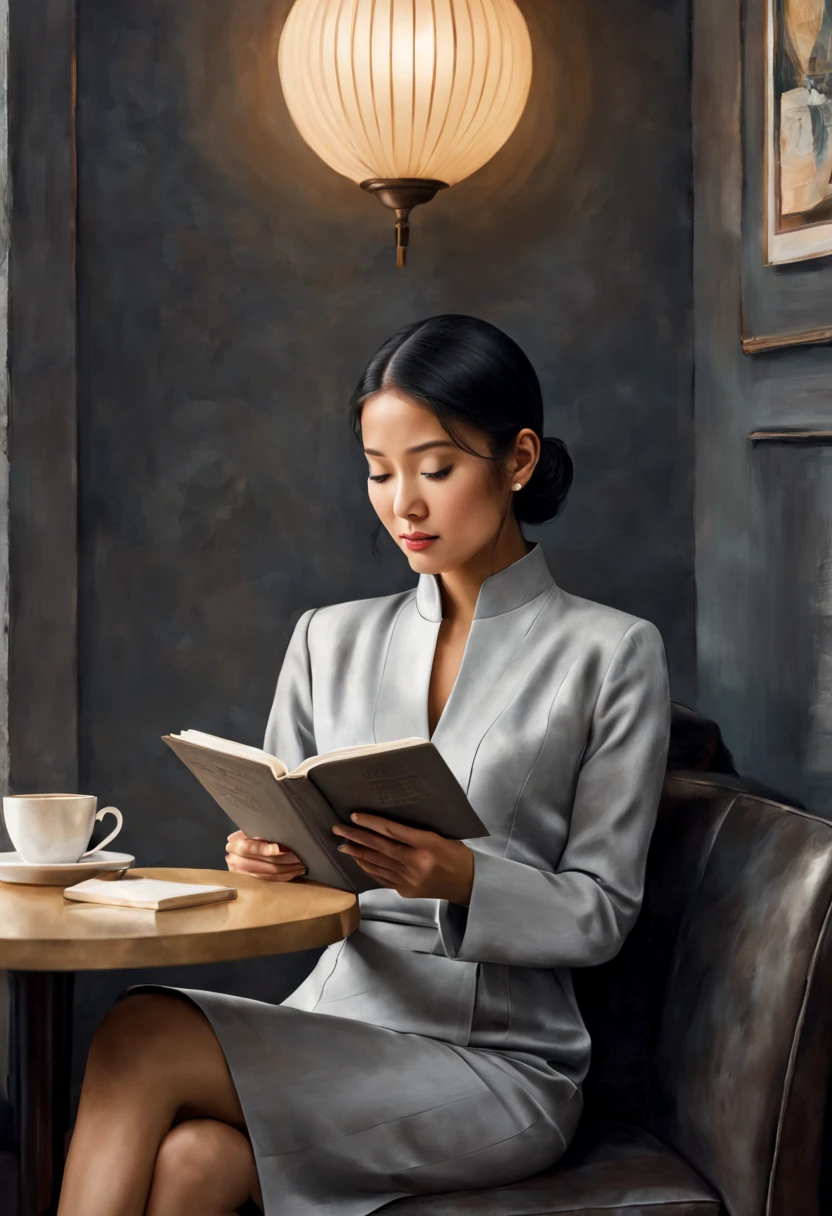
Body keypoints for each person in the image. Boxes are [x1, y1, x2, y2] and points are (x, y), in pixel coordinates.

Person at [58, 314, 671, 1216]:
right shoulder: (327, 639)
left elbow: (604, 912)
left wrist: (462, 876)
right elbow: (293, 851)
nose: (403, 505)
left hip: (498, 1060)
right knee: (193, 1163)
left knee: (141, 1032)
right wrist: (270, 861)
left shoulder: (612, 652)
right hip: (337, 1019)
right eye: (380, 474)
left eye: (435, 468)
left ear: (521, 459)